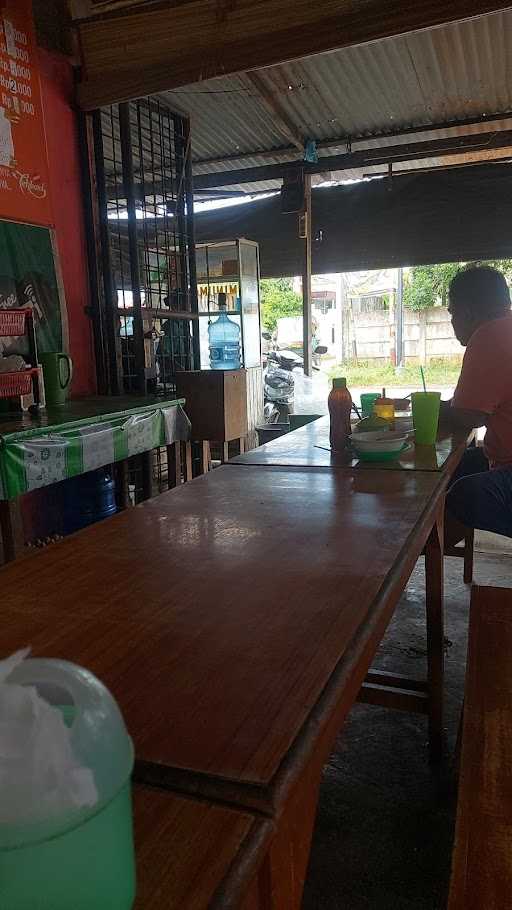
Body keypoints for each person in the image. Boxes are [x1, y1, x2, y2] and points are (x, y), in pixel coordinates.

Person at [442, 266, 512, 539]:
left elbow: (468, 416)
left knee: (464, 493)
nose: (452, 321)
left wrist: (423, 413)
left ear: (467, 311)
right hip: (503, 461)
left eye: (452, 313)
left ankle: (404, 556)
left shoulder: (490, 335)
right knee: (457, 465)